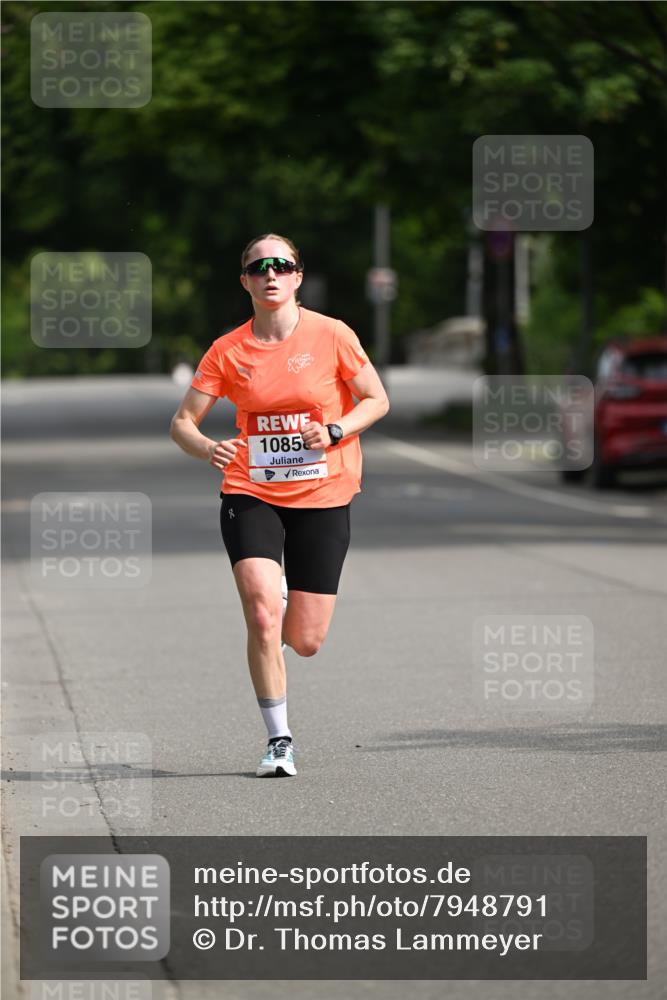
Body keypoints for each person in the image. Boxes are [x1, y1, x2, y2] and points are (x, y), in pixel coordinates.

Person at [170, 233, 389, 776]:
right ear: (245, 281)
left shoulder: (332, 334)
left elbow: (376, 399)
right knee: (262, 614)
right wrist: (208, 448)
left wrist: (336, 430)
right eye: (259, 267)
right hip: (251, 489)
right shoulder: (228, 350)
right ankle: (279, 741)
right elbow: (183, 423)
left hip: (324, 493)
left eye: (281, 265)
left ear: (297, 276)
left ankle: (284, 611)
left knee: (305, 640)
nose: (271, 274)